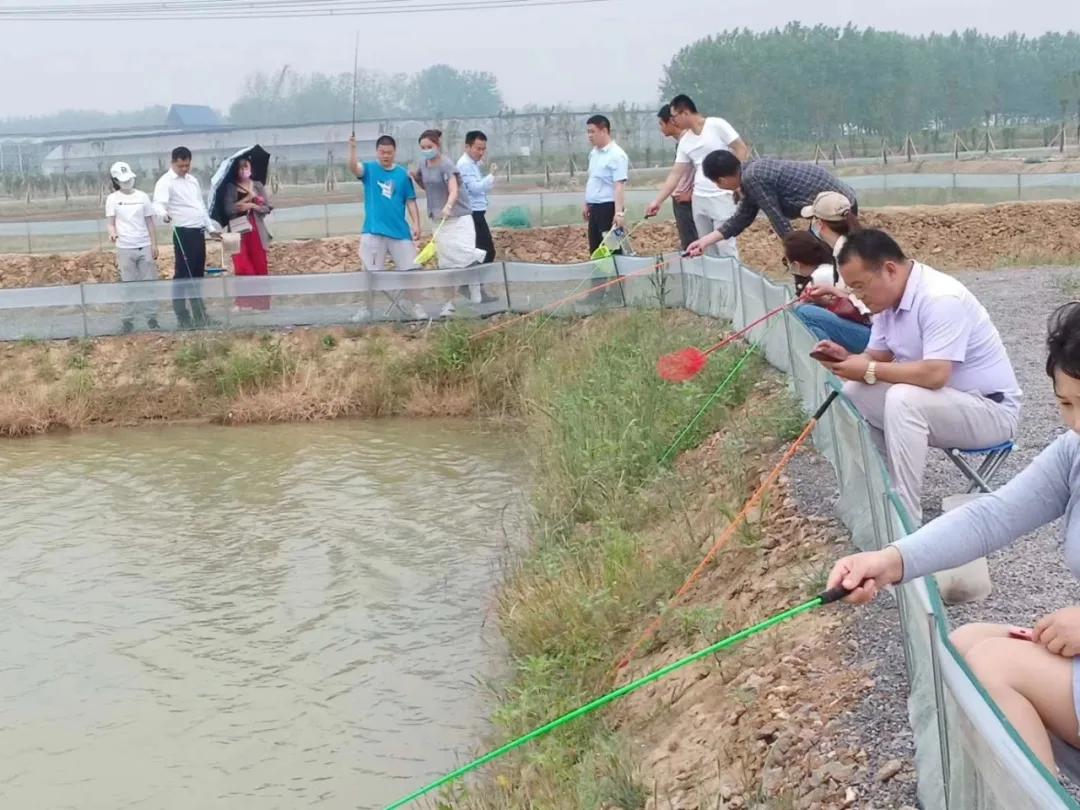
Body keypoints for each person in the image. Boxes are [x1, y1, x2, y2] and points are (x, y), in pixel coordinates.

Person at [827, 301, 1080, 773]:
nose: (1077, 423)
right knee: (966, 645)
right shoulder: (1075, 452)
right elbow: (993, 516)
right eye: (1067, 404)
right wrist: (890, 561)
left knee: (996, 668)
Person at [812, 229, 1021, 525]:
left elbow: (935, 374)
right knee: (853, 393)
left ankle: (904, 517)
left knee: (903, 397)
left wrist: (869, 369)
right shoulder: (886, 303)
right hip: (943, 405)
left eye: (860, 287)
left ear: (889, 270)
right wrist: (846, 359)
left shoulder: (940, 298)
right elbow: (876, 357)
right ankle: (878, 495)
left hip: (991, 412)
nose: (858, 297)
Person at [687, 153, 858, 257]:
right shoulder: (751, 174)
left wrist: (796, 253)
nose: (719, 187)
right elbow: (742, 218)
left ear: (722, 180)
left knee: (833, 258)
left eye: (717, 183)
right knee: (828, 255)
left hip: (836, 210)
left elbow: (778, 219)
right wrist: (704, 242)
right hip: (839, 204)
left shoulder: (753, 178)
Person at [645, 95, 749, 258]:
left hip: (721, 195)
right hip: (700, 198)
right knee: (706, 246)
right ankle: (715, 283)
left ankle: (733, 282)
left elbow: (740, 148)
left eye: (674, 117)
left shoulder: (716, 125)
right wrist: (657, 201)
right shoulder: (685, 141)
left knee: (725, 245)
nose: (673, 121)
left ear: (685, 112)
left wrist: (737, 183)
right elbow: (676, 173)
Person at [348, 133, 426, 322]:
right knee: (370, 273)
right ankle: (366, 308)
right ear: (377, 152)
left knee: (412, 269)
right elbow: (354, 168)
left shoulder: (402, 174)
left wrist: (416, 223)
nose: (385, 156)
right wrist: (352, 149)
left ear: (394, 152)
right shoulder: (369, 169)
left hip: (399, 232)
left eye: (389, 152)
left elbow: (410, 201)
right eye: (382, 152)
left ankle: (414, 305)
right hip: (373, 231)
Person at [412, 129, 486, 318]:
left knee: (464, 254)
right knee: (445, 263)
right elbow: (427, 186)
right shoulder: (423, 164)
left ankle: (474, 281)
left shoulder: (447, 164)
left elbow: (453, 189)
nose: (426, 150)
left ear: (438, 146)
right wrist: (415, 177)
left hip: (458, 217)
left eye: (430, 146)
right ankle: (448, 304)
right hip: (438, 219)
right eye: (423, 148)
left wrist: (449, 205)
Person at [153, 146, 217, 329]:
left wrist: (210, 227)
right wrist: (164, 215)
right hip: (183, 232)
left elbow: (200, 206)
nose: (184, 169)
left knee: (197, 274)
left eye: (187, 165)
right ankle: (183, 317)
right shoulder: (166, 182)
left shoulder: (192, 181)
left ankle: (200, 316)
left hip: (198, 231)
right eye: (180, 166)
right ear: (173, 162)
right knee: (183, 275)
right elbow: (158, 204)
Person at [105, 161, 160, 333]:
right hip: (125, 247)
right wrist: (113, 233)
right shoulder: (112, 199)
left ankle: (152, 318)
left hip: (144, 245)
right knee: (128, 285)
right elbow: (110, 223)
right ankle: (127, 320)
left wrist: (154, 244)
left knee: (149, 283)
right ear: (116, 181)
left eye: (129, 178)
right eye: (123, 180)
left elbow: (150, 221)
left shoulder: (143, 197)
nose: (127, 182)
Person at [224, 157, 273, 312]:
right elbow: (228, 209)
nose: (243, 170)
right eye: (240, 168)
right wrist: (245, 201)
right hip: (237, 232)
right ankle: (244, 303)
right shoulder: (230, 187)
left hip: (256, 229)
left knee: (260, 265)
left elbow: (267, 207)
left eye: (246, 167)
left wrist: (253, 205)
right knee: (243, 266)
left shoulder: (257, 185)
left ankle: (261, 304)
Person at [583, 114, 630, 256]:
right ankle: (600, 278)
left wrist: (618, 213)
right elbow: (593, 180)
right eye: (588, 132)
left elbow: (619, 186)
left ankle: (619, 278)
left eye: (593, 132)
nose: (589, 136)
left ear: (604, 131)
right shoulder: (594, 154)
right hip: (595, 209)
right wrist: (587, 203)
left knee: (613, 250)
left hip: (608, 209)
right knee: (596, 250)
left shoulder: (617, 155)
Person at [654, 104, 697, 251]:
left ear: (671, 122)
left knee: (692, 242)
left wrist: (691, 194)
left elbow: (702, 170)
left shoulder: (692, 142)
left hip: (687, 202)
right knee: (686, 241)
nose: (660, 128)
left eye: (661, 123)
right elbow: (676, 174)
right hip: (680, 200)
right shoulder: (680, 144)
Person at [457, 130, 497, 263]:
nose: (481, 152)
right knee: (486, 251)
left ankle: (475, 282)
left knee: (481, 251)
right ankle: (475, 280)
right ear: (467, 147)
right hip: (473, 213)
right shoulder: (465, 165)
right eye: (478, 149)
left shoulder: (472, 164)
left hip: (477, 212)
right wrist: (491, 175)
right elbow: (475, 188)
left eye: (483, 149)